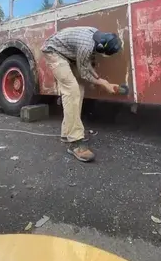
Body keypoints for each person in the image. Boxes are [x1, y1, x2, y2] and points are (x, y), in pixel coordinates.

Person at [41, 26, 122, 162]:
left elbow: (86, 65)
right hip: (53, 51)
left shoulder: (96, 37)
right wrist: (104, 83)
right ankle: (75, 142)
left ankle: (67, 133)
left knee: (79, 89)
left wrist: (105, 82)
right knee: (71, 90)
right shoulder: (86, 45)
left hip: (67, 54)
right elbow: (84, 73)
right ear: (102, 49)